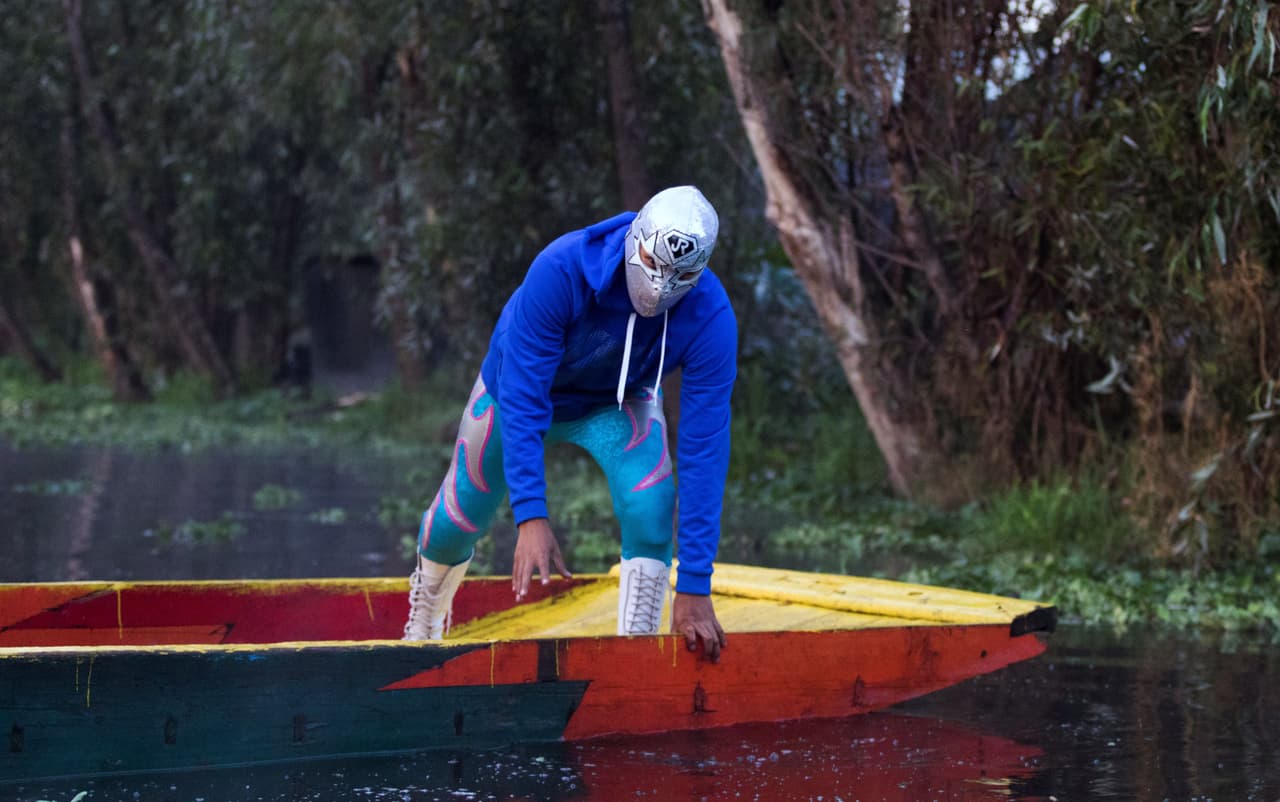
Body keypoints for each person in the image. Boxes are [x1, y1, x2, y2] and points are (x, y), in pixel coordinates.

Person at [401, 186, 736, 661]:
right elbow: (523, 395)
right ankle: (422, 627)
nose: (661, 285)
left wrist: (697, 585)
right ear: (633, 239)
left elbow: (705, 447)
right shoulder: (561, 269)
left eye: (680, 275)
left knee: (652, 504)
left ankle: (634, 652)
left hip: (616, 402)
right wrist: (531, 516)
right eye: (652, 262)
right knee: (459, 515)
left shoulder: (711, 316)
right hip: (518, 390)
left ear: (699, 273)